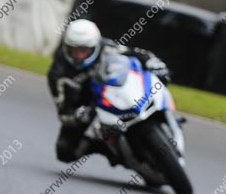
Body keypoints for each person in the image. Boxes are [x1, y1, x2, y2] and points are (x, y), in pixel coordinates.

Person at [47, 19, 170, 165]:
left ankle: (164, 115)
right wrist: (77, 116)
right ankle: (104, 147)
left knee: (158, 77)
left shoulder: (106, 47)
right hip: (86, 107)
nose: (79, 55)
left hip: (113, 91)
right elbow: (63, 113)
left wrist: (152, 62)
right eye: (75, 50)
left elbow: (133, 52)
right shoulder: (57, 74)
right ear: (66, 47)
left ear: (94, 46)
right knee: (64, 151)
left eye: (84, 50)